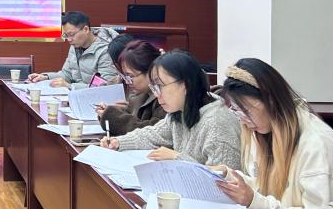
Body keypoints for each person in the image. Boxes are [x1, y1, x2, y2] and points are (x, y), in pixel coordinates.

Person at [211, 58, 333, 209]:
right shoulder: (261, 131)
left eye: (246, 111)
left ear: (271, 101)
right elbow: (262, 186)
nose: (243, 120)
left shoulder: (318, 146)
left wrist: (253, 201)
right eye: (236, 111)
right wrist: (227, 176)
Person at [99, 50, 240, 168]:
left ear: (185, 85)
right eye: (154, 87)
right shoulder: (179, 112)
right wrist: (119, 142)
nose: (156, 94)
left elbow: (223, 180)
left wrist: (177, 158)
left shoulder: (218, 123)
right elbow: (152, 135)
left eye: (160, 86)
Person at [29, 11, 120, 89]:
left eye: (72, 34)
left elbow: (105, 86)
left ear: (85, 29)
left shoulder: (105, 50)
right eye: (66, 35)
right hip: (77, 96)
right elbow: (67, 74)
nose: (69, 39)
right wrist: (45, 77)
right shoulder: (75, 46)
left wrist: (70, 86)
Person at [95, 40, 165, 136]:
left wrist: (113, 117)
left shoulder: (165, 96)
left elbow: (153, 132)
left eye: (131, 76)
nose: (128, 82)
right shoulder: (141, 94)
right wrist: (112, 112)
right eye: (126, 77)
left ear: (151, 71)